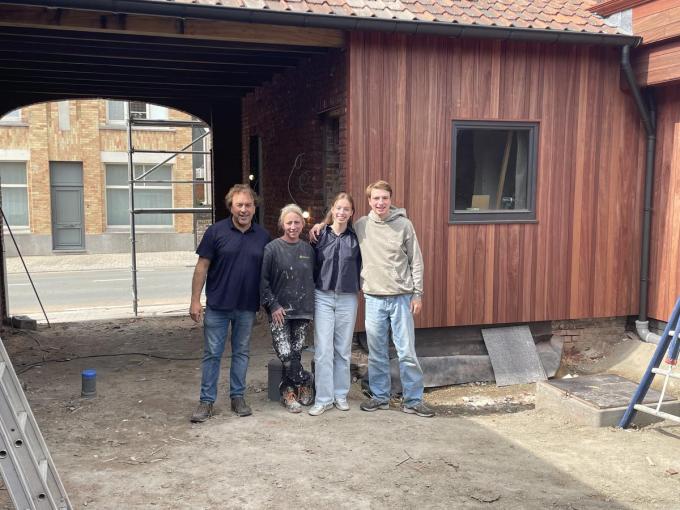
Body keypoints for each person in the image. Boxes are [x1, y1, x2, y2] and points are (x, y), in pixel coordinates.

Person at [310, 180, 434, 418]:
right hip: (374, 298)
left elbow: (416, 261)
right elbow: (338, 226)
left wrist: (417, 293)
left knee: (406, 351)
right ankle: (380, 396)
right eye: (376, 198)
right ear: (369, 201)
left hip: (401, 297)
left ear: (390, 199)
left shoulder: (404, 225)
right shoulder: (362, 225)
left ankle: (413, 400)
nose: (380, 202)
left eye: (384, 198)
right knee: (376, 352)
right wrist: (320, 225)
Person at [189, 184, 270, 423]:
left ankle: (238, 397)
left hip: (247, 307)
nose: (244, 210)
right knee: (212, 354)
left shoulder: (263, 237)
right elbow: (202, 267)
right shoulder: (215, 232)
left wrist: (266, 304)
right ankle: (206, 401)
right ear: (231, 207)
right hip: (218, 305)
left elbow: (267, 273)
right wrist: (195, 300)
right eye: (239, 205)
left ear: (254, 208)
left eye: (248, 205)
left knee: (241, 353)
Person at [308, 193, 362, 416]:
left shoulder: (357, 237)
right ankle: (323, 398)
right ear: (332, 209)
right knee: (323, 350)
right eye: (338, 208)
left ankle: (340, 394)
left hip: (348, 297)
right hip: (323, 295)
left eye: (346, 209)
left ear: (352, 213)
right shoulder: (319, 235)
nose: (341, 212)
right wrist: (320, 224)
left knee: (343, 350)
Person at [260, 204, 316, 413]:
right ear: (282, 224)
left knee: (296, 353)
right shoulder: (272, 249)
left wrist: (312, 309)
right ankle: (304, 381)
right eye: (289, 222)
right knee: (285, 354)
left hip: (302, 311)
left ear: (302, 224)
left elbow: (313, 279)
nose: (293, 226)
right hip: (279, 312)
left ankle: (290, 392)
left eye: (297, 222)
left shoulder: (308, 250)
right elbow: (263, 282)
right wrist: (273, 305)